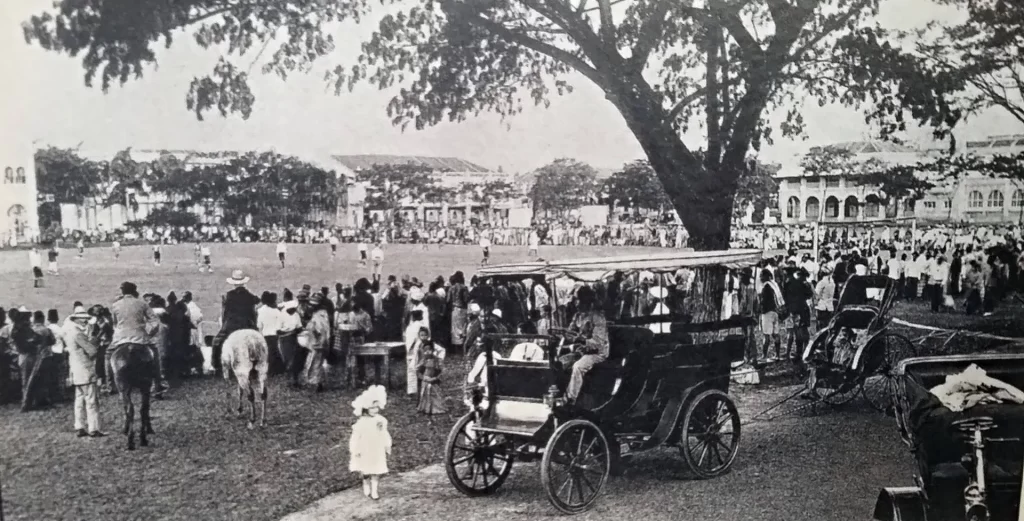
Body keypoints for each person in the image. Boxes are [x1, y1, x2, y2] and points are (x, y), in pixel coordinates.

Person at [565, 286, 608, 404]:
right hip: (582, 350)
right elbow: (570, 333)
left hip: (597, 353)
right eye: (575, 300)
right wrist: (565, 335)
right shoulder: (577, 316)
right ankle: (560, 394)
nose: (576, 303)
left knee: (578, 367)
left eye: (578, 300)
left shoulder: (598, 317)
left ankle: (571, 400)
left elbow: (599, 342)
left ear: (586, 301)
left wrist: (582, 340)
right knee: (560, 362)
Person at [65, 308, 104, 437]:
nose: (86, 322)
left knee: (79, 400)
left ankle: (80, 426)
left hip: (76, 369)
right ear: (77, 319)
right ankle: (94, 428)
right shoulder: (78, 334)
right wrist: (95, 341)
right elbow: (92, 351)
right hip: (85, 369)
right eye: (84, 319)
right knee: (91, 400)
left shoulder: (70, 332)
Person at [212, 270, 260, 378]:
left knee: (217, 342)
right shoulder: (250, 296)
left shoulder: (228, 296)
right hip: (248, 324)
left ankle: (217, 367)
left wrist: (224, 325)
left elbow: (225, 313)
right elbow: (254, 311)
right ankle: (256, 366)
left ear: (233, 283)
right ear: (244, 283)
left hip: (232, 325)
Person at [348, 385, 392, 501]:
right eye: (372, 408)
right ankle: (366, 484)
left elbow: (384, 433)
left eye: (377, 408)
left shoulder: (381, 420)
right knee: (365, 471)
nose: (375, 410)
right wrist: (355, 450)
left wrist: (387, 445)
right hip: (365, 448)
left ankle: (374, 490)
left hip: (376, 448)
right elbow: (355, 437)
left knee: (376, 471)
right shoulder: (361, 423)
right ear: (365, 409)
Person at [301, 292, 331, 392]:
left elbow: (321, 330)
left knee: (315, 364)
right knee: (315, 363)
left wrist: (318, 340)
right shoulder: (320, 314)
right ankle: (317, 382)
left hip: (318, 343)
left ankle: (316, 384)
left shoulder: (319, 316)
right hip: (318, 343)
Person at [415, 328, 447, 416]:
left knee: (434, 393)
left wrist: (435, 378)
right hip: (425, 378)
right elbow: (418, 369)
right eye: (421, 335)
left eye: (430, 350)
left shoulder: (436, 360)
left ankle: (436, 408)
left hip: (433, 378)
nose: (427, 352)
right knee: (424, 393)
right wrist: (423, 377)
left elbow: (441, 371)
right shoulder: (420, 348)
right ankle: (424, 407)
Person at [757, 269, 785, 364]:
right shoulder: (774, 285)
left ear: (766, 276)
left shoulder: (766, 287)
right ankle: (777, 355)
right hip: (776, 311)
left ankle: (764, 356)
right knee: (776, 334)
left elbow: (764, 302)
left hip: (767, 312)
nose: (760, 278)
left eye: (761, 276)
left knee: (766, 335)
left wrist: (760, 309)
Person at [257, 292, 285, 374]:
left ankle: (270, 369)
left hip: (264, 334)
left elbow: (259, 324)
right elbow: (280, 323)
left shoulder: (260, 311)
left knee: (267, 352)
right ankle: (277, 369)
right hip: (274, 333)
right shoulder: (276, 311)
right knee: (274, 351)